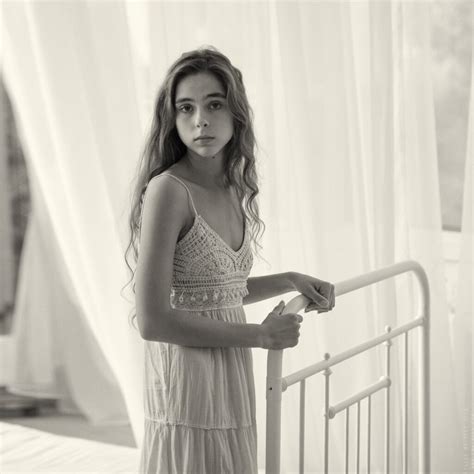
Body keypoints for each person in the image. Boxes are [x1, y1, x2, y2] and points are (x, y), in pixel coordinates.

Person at [124, 46, 335, 474]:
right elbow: (152, 321)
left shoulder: (232, 188)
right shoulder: (168, 191)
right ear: (172, 118)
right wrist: (261, 335)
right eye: (186, 107)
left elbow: (217, 292)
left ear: (236, 112)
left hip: (228, 376)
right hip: (186, 380)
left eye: (214, 104)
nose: (200, 120)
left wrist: (291, 279)